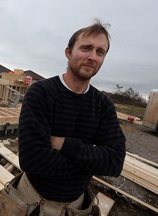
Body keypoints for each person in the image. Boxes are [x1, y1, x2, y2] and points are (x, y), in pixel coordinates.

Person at [17, 19, 126, 216]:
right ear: (68, 52)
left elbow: (115, 163)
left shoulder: (103, 105)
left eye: (100, 52)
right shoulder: (41, 93)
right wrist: (90, 159)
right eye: (86, 48)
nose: (92, 57)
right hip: (31, 202)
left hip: (75, 207)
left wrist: (65, 145)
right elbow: (32, 159)